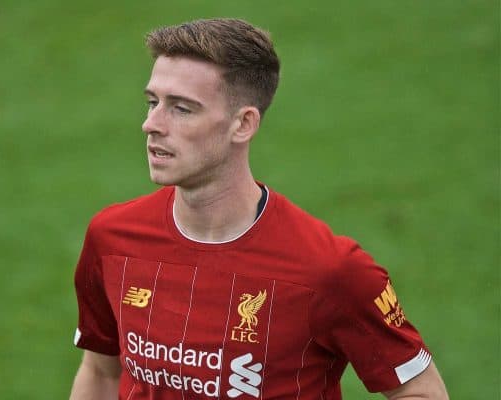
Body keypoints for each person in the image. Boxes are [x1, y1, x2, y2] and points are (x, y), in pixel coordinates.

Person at [69, 18, 448, 400]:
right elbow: (100, 372)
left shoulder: (329, 270)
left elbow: (421, 391)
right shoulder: (112, 239)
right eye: (153, 102)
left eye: (181, 109)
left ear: (243, 124)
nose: (151, 124)